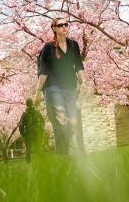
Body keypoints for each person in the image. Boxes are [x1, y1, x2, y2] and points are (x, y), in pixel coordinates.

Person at [33, 17, 85, 155]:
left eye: (66, 24)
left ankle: (66, 153)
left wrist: (83, 82)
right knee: (60, 120)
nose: (64, 27)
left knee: (73, 123)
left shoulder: (74, 45)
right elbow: (43, 71)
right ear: (54, 28)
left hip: (70, 87)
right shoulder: (48, 47)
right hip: (53, 87)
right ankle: (63, 158)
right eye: (60, 25)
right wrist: (38, 92)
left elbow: (78, 65)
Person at [18, 98, 45, 162]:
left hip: (28, 134)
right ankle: (41, 164)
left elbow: (20, 125)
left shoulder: (24, 114)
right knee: (38, 148)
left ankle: (28, 164)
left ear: (26, 104)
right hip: (37, 132)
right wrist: (41, 130)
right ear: (32, 103)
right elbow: (43, 121)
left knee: (28, 149)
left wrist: (23, 134)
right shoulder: (37, 112)